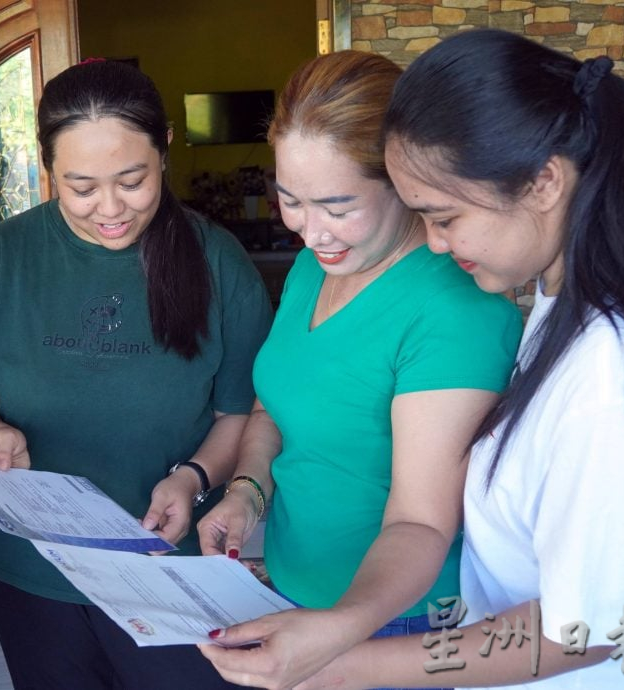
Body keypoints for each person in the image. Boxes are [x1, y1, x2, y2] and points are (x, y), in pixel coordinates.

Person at [221, 29, 624, 690]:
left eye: (443, 217)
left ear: (543, 183)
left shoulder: (614, 368)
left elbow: (584, 631)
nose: (436, 246)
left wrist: (342, 663)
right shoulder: (565, 307)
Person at [0, 59, 273, 690]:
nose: (110, 209)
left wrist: (196, 476)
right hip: (31, 565)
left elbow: (241, 412)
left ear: (165, 148)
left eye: (132, 180)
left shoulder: (216, 260)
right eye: (82, 187)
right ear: (47, 170)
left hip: (167, 565)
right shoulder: (2, 261)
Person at [195, 50, 523, 690]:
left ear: (403, 183)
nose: (310, 230)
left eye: (337, 206)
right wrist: (246, 491)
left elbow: (422, 523)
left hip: (396, 621)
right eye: (290, 200)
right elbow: (274, 407)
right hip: (295, 590)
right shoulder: (315, 266)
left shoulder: (456, 307)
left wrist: (339, 629)